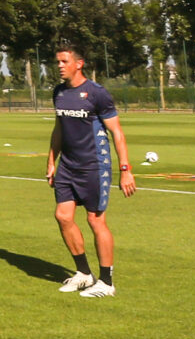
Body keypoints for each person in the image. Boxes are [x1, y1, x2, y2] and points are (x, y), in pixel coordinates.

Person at [47, 44, 135, 297]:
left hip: (94, 166)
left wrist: (125, 169)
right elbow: (59, 129)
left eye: (64, 61)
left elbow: (117, 132)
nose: (60, 66)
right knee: (63, 216)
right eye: (58, 62)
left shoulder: (97, 93)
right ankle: (84, 274)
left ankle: (106, 282)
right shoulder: (59, 93)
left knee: (95, 220)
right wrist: (52, 160)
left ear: (79, 63)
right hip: (67, 166)